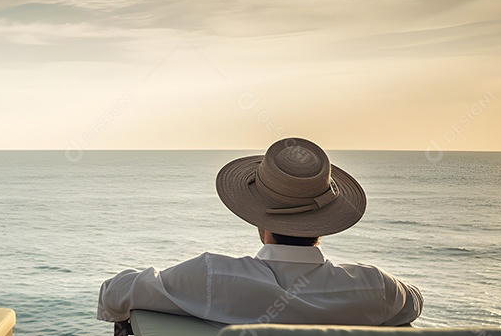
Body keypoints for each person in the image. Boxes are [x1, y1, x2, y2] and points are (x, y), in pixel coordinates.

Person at [97, 138, 422, 326]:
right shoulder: (377, 288)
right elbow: (414, 302)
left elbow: (115, 292)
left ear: (258, 219)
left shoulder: (213, 277)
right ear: (325, 223)